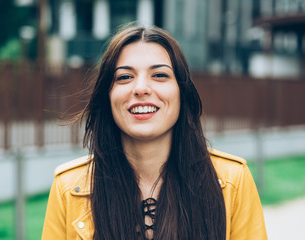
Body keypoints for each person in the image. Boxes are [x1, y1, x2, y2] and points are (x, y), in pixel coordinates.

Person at [42, 25, 267, 240]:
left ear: (182, 92)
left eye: (159, 75)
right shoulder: (68, 189)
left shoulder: (232, 182)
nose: (141, 88)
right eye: (124, 77)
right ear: (107, 96)